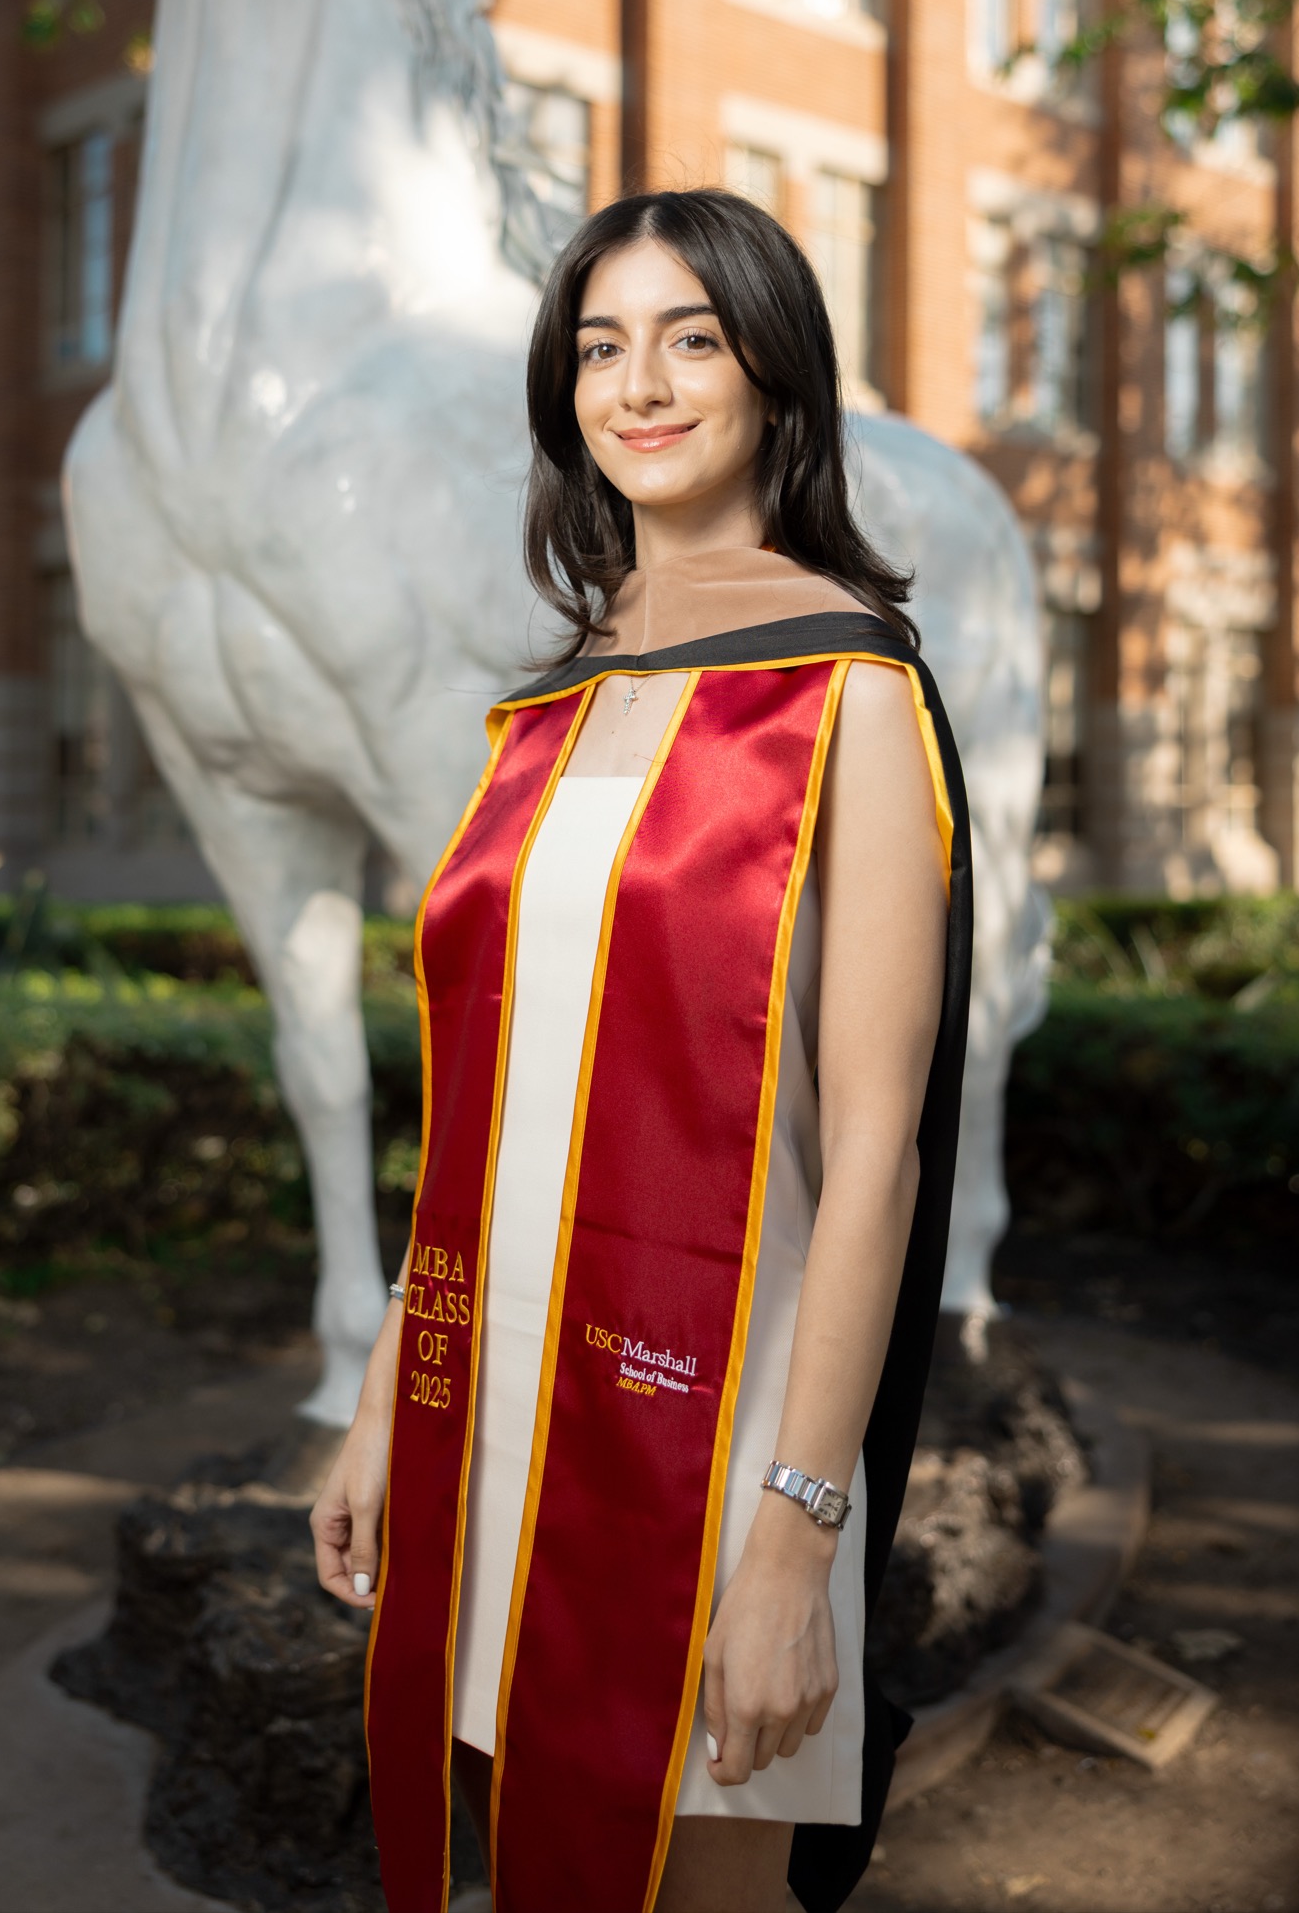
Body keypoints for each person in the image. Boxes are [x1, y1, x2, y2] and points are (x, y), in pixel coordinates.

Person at [311, 189, 972, 1913]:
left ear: (774, 375)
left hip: (714, 1444)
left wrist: (795, 1543)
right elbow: (480, 1111)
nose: (643, 383)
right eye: (602, 346)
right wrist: (391, 1406)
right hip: (492, 1416)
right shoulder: (553, 705)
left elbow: (878, 1156)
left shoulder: (851, 694)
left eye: (691, 336)